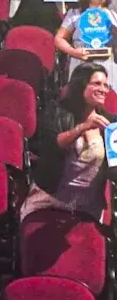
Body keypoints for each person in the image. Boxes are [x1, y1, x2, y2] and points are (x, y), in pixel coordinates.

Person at [23, 62, 117, 221]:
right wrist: (82, 128)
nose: (103, 89)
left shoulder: (111, 123)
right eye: (96, 84)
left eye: (106, 85)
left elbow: (113, 168)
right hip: (50, 197)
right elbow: (51, 146)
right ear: (81, 85)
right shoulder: (57, 111)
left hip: (88, 206)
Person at [55, 0, 117, 88]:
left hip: (108, 65)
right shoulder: (74, 13)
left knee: (108, 100)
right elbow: (59, 39)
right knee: (80, 99)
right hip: (81, 63)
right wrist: (73, 52)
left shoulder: (113, 14)